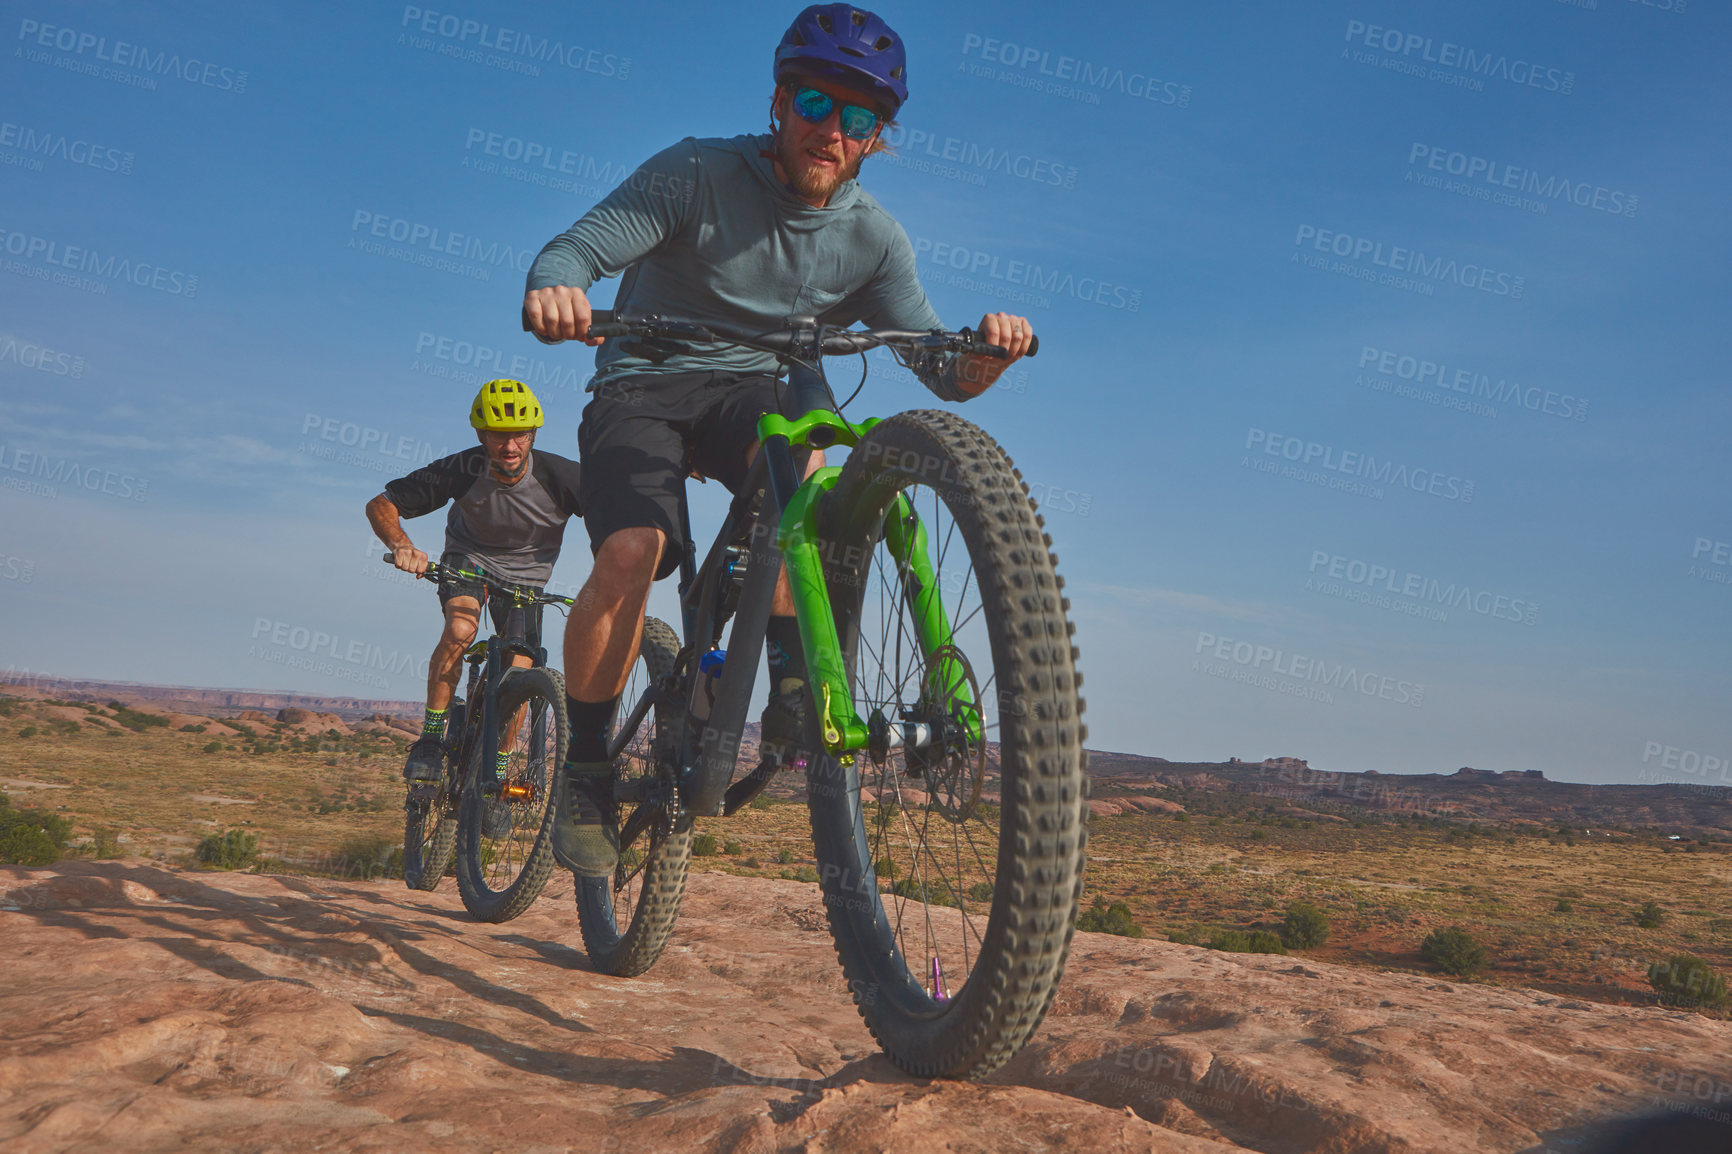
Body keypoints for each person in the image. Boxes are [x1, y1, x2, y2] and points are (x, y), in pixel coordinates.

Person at [521, 3, 1036, 878]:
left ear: (879, 138)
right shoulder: (695, 173)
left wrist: (988, 354)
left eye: (860, 118)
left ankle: (797, 687)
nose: (833, 130)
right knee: (633, 548)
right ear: (778, 101)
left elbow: (939, 365)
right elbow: (577, 249)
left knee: (809, 465)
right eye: (815, 105)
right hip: (643, 376)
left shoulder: (873, 238)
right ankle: (587, 770)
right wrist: (557, 291)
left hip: (754, 389)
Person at [365, 379, 583, 782]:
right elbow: (382, 504)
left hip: (527, 583)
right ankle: (430, 739)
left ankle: (495, 776)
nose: (510, 446)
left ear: (533, 433)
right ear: (481, 435)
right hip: (469, 563)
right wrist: (401, 545)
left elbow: (615, 510)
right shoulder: (463, 468)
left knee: (521, 671)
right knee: (461, 627)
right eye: (499, 436)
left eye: (519, 434)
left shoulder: (560, 476)